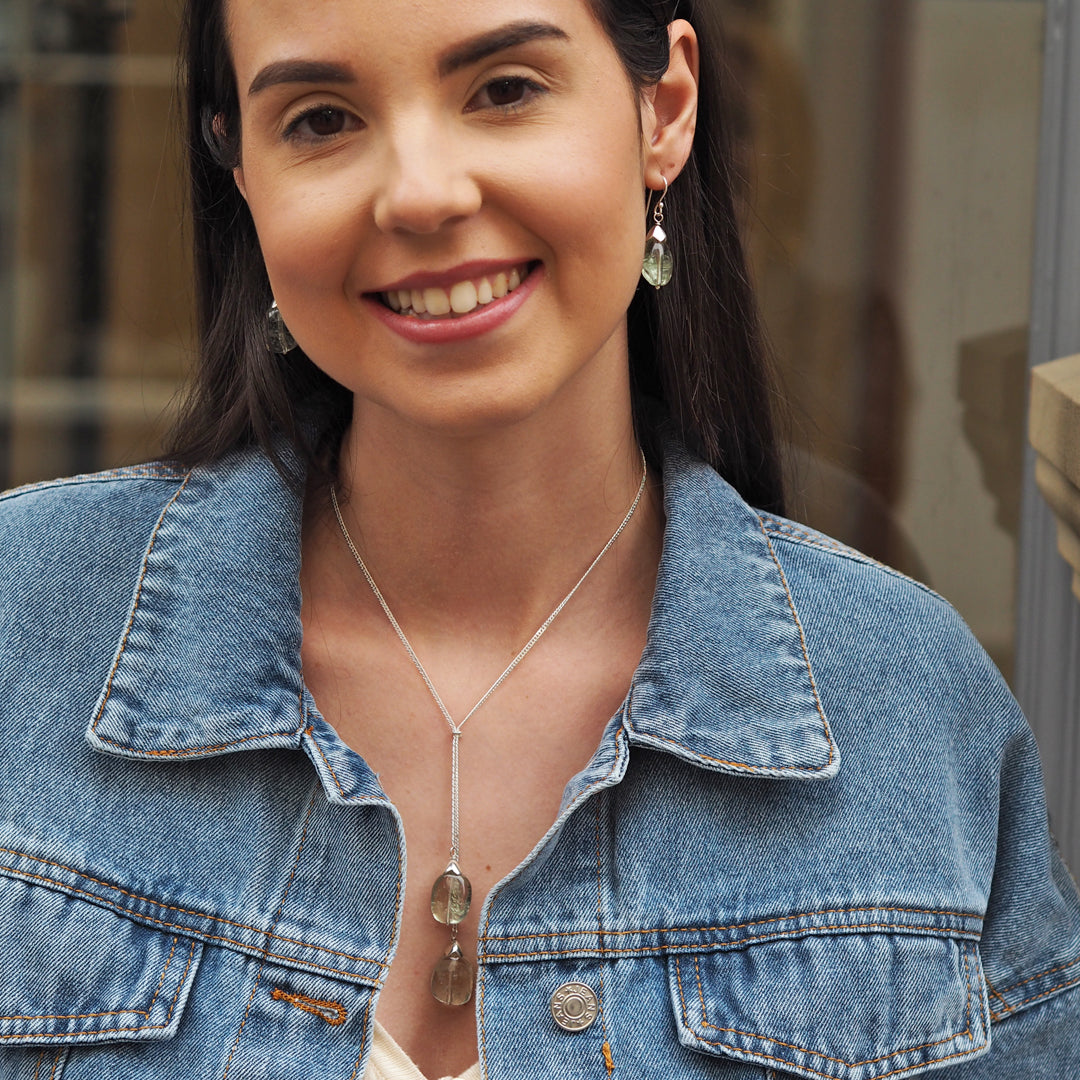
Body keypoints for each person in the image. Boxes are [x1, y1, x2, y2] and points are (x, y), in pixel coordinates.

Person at [0, 1, 1077, 1078]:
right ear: (243, 171)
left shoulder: (909, 716)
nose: (421, 192)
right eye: (322, 120)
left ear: (666, 109)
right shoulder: (24, 629)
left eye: (505, 90)